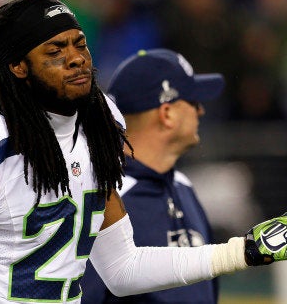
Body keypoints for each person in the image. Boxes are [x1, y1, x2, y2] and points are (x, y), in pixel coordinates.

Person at [0, 0, 287, 303]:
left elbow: (123, 268)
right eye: (55, 50)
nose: (76, 58)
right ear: (18, 66)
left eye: (79, 44)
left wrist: (243, 251)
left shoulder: (99, 123)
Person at [81, 48, 224, 303]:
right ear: (167, 113)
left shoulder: (183, 186)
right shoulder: (105, 195)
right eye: (193, 101)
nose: (201, 111)